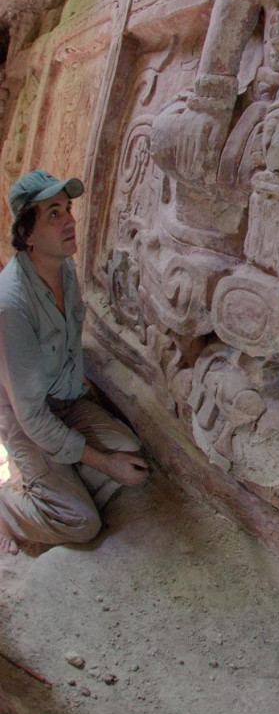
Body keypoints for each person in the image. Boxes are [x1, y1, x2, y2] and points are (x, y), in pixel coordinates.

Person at [0, 170, 148, 555]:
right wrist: (103, 463)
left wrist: (109, 459)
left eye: (67, 208)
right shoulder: (12, 307)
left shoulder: (62, 266)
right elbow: (31, 417)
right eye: (53, 213)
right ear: (27, 234)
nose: (70, 220)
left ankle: (55, 481)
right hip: (24, 415)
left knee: (129, 450)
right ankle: (10, 510)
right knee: (83, 523)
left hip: (63, 401)